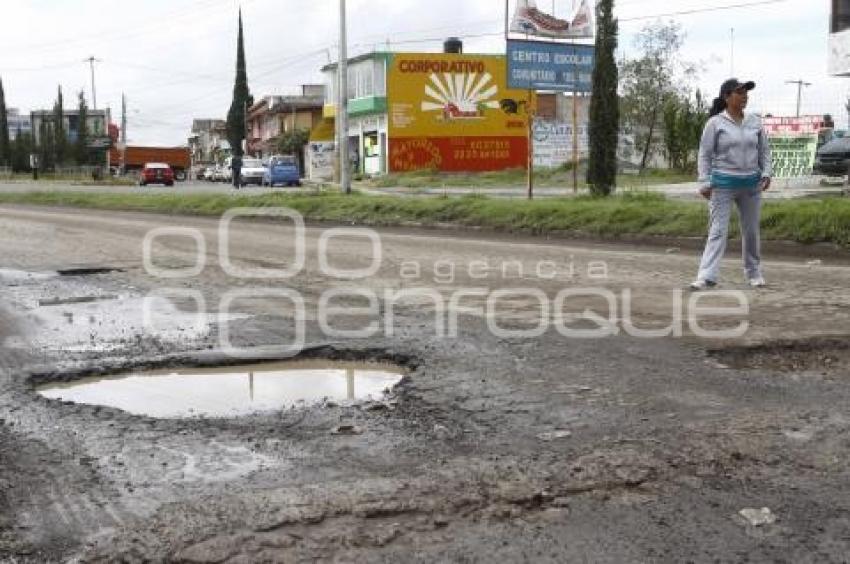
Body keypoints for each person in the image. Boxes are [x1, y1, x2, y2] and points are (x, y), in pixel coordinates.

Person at [690, 78, 773, 291]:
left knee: (752, 231)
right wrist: (704, 181)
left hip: (751, 186)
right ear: (727, 97)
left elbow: (764, 150)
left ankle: (754, 273)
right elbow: (705, 154)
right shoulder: (715, 123)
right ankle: (706, 276)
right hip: (722, 186)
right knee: (718, 230)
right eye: (740, 92)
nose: (745, 96)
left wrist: (766, 173)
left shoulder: (755, 121)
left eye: (746, 92)